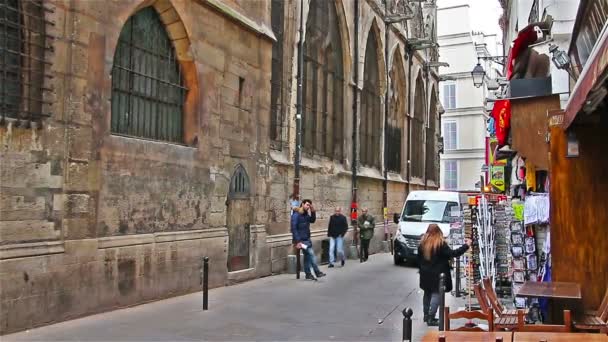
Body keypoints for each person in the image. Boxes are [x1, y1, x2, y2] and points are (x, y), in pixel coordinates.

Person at [417, 224, 471, 326]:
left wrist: (421, 270)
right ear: (439, 232)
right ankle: (431, 317)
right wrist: (466, 245)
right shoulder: (440, 244)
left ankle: (426, 315)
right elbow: (454, 253)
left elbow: (418, 259)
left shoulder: (422, 243)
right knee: (436, 294)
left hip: (425, 275)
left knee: (427, 294)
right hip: (438, 275)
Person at [291, 199, 326, 280]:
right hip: (301, 240)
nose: (308, 207)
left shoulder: (306, 214)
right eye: (307, 205)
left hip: (307, 239)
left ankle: (308, 274)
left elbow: (312, 220)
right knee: (311, 254)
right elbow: (294, 228)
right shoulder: (296, 215)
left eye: (309, 205)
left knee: (307, 257)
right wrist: (298, 241)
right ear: (302, 204)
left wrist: (313, 211)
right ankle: (317, 272)